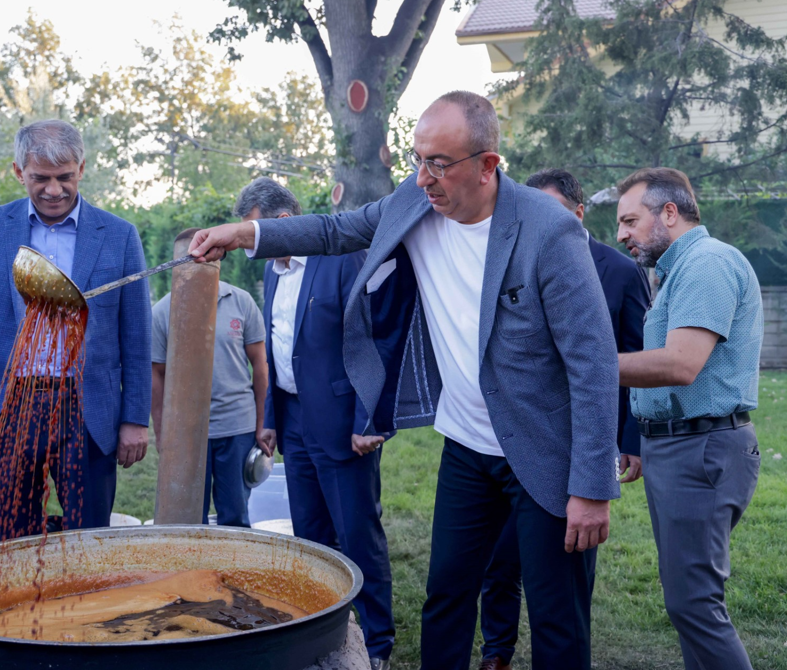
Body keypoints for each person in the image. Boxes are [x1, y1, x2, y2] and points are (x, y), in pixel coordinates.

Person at [190, 91, 621, 670]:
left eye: (438, 164)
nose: (423, 178)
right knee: (445, 597)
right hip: (467, 446)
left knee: (555, 616)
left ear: (489, 164)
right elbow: (335, 230)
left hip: (545, 450)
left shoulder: (547, 231)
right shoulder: (414, 204)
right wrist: (244, 235)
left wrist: (592, 487)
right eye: (418, 159)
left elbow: (594, 363)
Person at [475, 168, 652, 670]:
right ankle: (497, 652)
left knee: (563, 573)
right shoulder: (505, 258)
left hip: (578, 444)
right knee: (500, 557)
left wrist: (630, 440)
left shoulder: (617, 270)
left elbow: (633, 355)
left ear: (577, 214)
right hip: (512, 438)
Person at [0, 120, 151, 541]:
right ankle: (19, 605)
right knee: (9, 535)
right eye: (41, 178)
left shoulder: (119, 235)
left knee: (89, 534)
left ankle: (88, 606)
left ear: (82, 167)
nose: (54, 190)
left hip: (85, 408)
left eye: (65, 177)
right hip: (8, 405)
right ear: (19, 172)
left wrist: (134, 418)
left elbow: (135, 336)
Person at [233, 177, 395, 670]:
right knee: (309, 535)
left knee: (356, 532)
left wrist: (371, 418)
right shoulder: (274, 273)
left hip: (344, 420)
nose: (250, 244)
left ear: (284, 224)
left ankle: (376, 643)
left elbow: (378, 340)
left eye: (254, 232)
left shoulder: (340, 260)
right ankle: (323, 636)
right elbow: (281, 347)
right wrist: (269, 418)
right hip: (294, 418)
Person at [616, 167, 762, 670]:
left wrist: (586, 366)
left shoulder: (707, 264)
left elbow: (680, 364)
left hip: (699, 451)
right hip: (678, 449)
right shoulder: (677, 270)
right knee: (688, 603)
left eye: (631, 220)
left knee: (695, 605)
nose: (622, 234)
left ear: (670, 213)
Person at [151, 227, 268, 527]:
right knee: (185, 519)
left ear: (217, 259)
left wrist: (262, 424)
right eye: (188, 257)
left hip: (236, 427)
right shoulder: (163, 311)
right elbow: (157, 375)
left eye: (204, 255)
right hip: (185, 433)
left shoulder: (241, 302)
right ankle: (192, 575)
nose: (196, 262)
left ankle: (232, 574)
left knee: (235, 517)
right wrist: (163, 435)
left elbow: (260, 365)